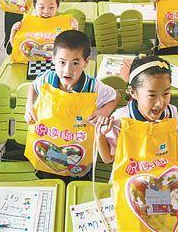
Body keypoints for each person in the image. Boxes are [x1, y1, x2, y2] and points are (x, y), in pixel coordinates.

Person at [24, 30, 119, 182]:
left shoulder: (92, 86)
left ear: (86, 62)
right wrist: (29, 106)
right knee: (47, 181)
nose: (67, 70)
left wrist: (104, 111)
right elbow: (32, 87)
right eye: (62, 62)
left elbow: (115, 96)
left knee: (76, 183)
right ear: (53, 59)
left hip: (78, 157)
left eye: (75, 63)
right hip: (47, 151)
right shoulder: (47, 79)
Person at [96, 56, 178, 164]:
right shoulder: (120, 119)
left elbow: (174, 148)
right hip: (131, 173)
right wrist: (100, 136)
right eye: (152, 95)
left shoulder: (171, 112)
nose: (160, 103)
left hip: (162, 172)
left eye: (166, 93)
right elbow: (108, 159)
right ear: (133, 92)